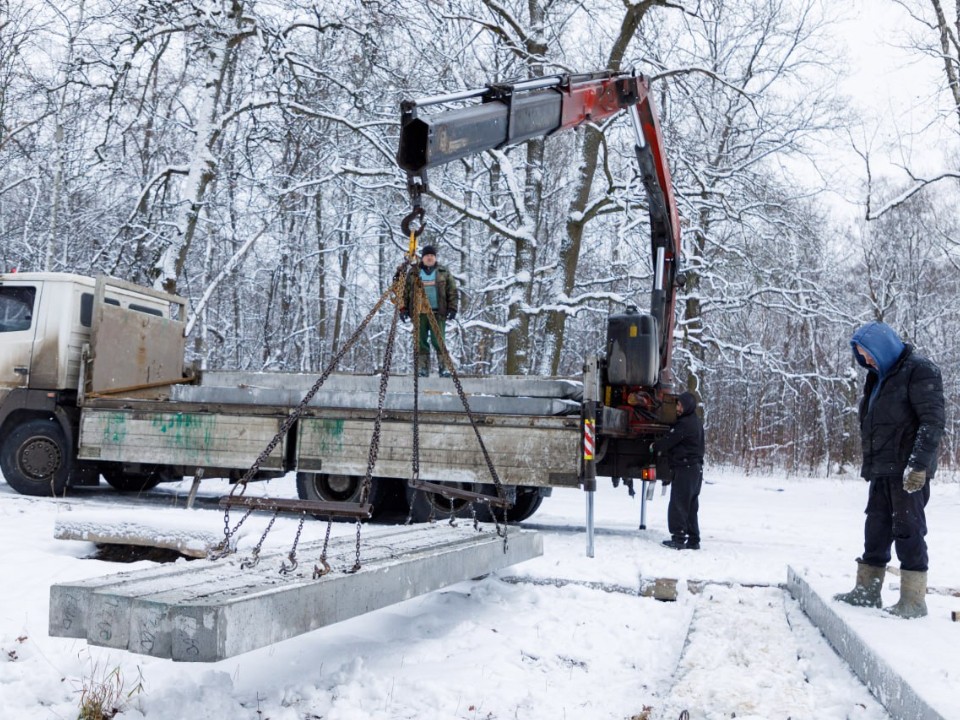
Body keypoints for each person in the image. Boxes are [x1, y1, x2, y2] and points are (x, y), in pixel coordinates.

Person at [834, 321, 944, 618]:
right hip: (883, 468)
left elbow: (932, 422)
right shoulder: (876, 377)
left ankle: (913, 600)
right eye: (861, 356)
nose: (866, 361)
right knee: (876, 527)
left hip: (908, 469)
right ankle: (867, 591)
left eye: (868, 354)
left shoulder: (920, 370)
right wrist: (870, 466)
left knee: (908, 529)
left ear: (882, 347)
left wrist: (918, 465)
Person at [652, 391, 705, 550]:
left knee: (679, 504)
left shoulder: (685, 424)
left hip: (685, 468)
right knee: (691, 506)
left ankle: (679, 538)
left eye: (680, 404)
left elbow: (669, 440)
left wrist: (654, 447)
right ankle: (694, 540)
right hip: (696, 470)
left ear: (687, 406)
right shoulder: (696, 422)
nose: (677, 407)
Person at [400, 245, 458, 377]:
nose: (429, 257)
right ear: (423, 258)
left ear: (435, 257)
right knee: (421, 341)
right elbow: (405, 292)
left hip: (438, 312)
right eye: (427, 255)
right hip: (419, 313)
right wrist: (403, 308)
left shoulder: (443, 272)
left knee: (438, 341)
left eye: (432, 255)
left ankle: (444, 369)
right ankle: (423, 369)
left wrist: (453, 307)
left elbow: (452, 291)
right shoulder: (414, 272)